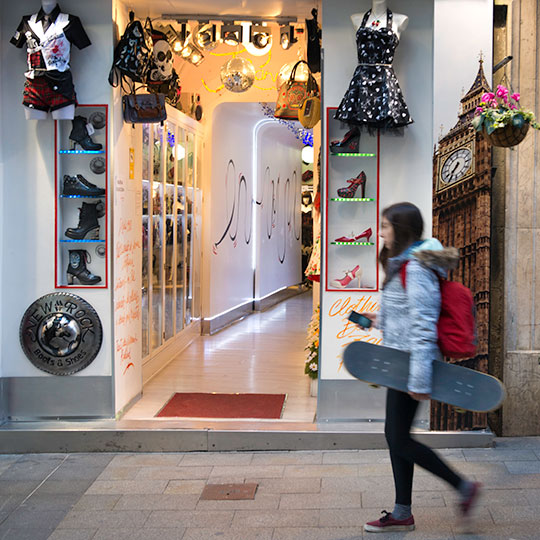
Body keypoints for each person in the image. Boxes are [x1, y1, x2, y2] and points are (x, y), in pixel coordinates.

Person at [358, 202, 481, 533]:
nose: (380, 232)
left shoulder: (417, 268)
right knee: (395, 435)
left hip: (411, 363)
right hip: (400, 362)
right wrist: (376, 320)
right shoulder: (404, 264)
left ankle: (462, 487)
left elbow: (425, 324)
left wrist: (419, 378)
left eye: (385, 226)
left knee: (398, 439)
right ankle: (402, 512)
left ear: (402, 230)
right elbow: (405, 314)